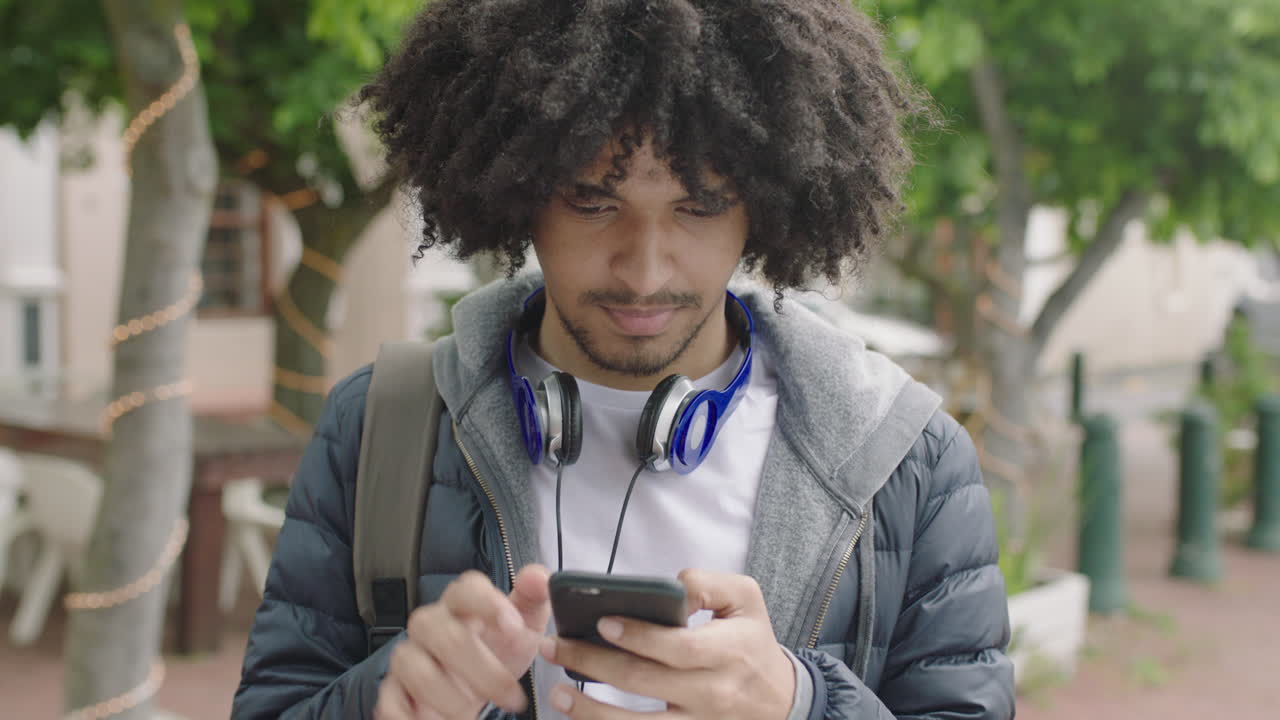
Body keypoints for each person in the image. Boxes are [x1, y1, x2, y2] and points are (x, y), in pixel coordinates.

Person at [233, 1, 1015, 718]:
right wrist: (386, 698)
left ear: (771, 204)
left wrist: (801, 704)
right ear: (515, 187)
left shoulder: (906, 458)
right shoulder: (381, 426)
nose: (644, 271)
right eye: (592, 202)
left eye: (699, 206)